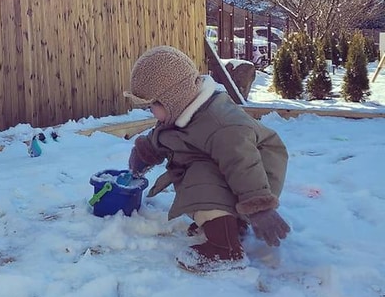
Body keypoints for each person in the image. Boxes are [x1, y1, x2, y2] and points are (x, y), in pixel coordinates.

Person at [124, 45, 290, 273]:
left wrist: (259, 205)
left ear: (172, 99)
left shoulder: (220, 124)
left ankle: (226, 250)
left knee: (198, 178)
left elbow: (242, 163)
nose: (150, 111)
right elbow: (165, 136)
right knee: (193, 175)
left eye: (152, 105)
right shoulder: (183, 112)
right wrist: (145, 153)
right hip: (238, 171)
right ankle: (228, 225)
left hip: (257, 175)